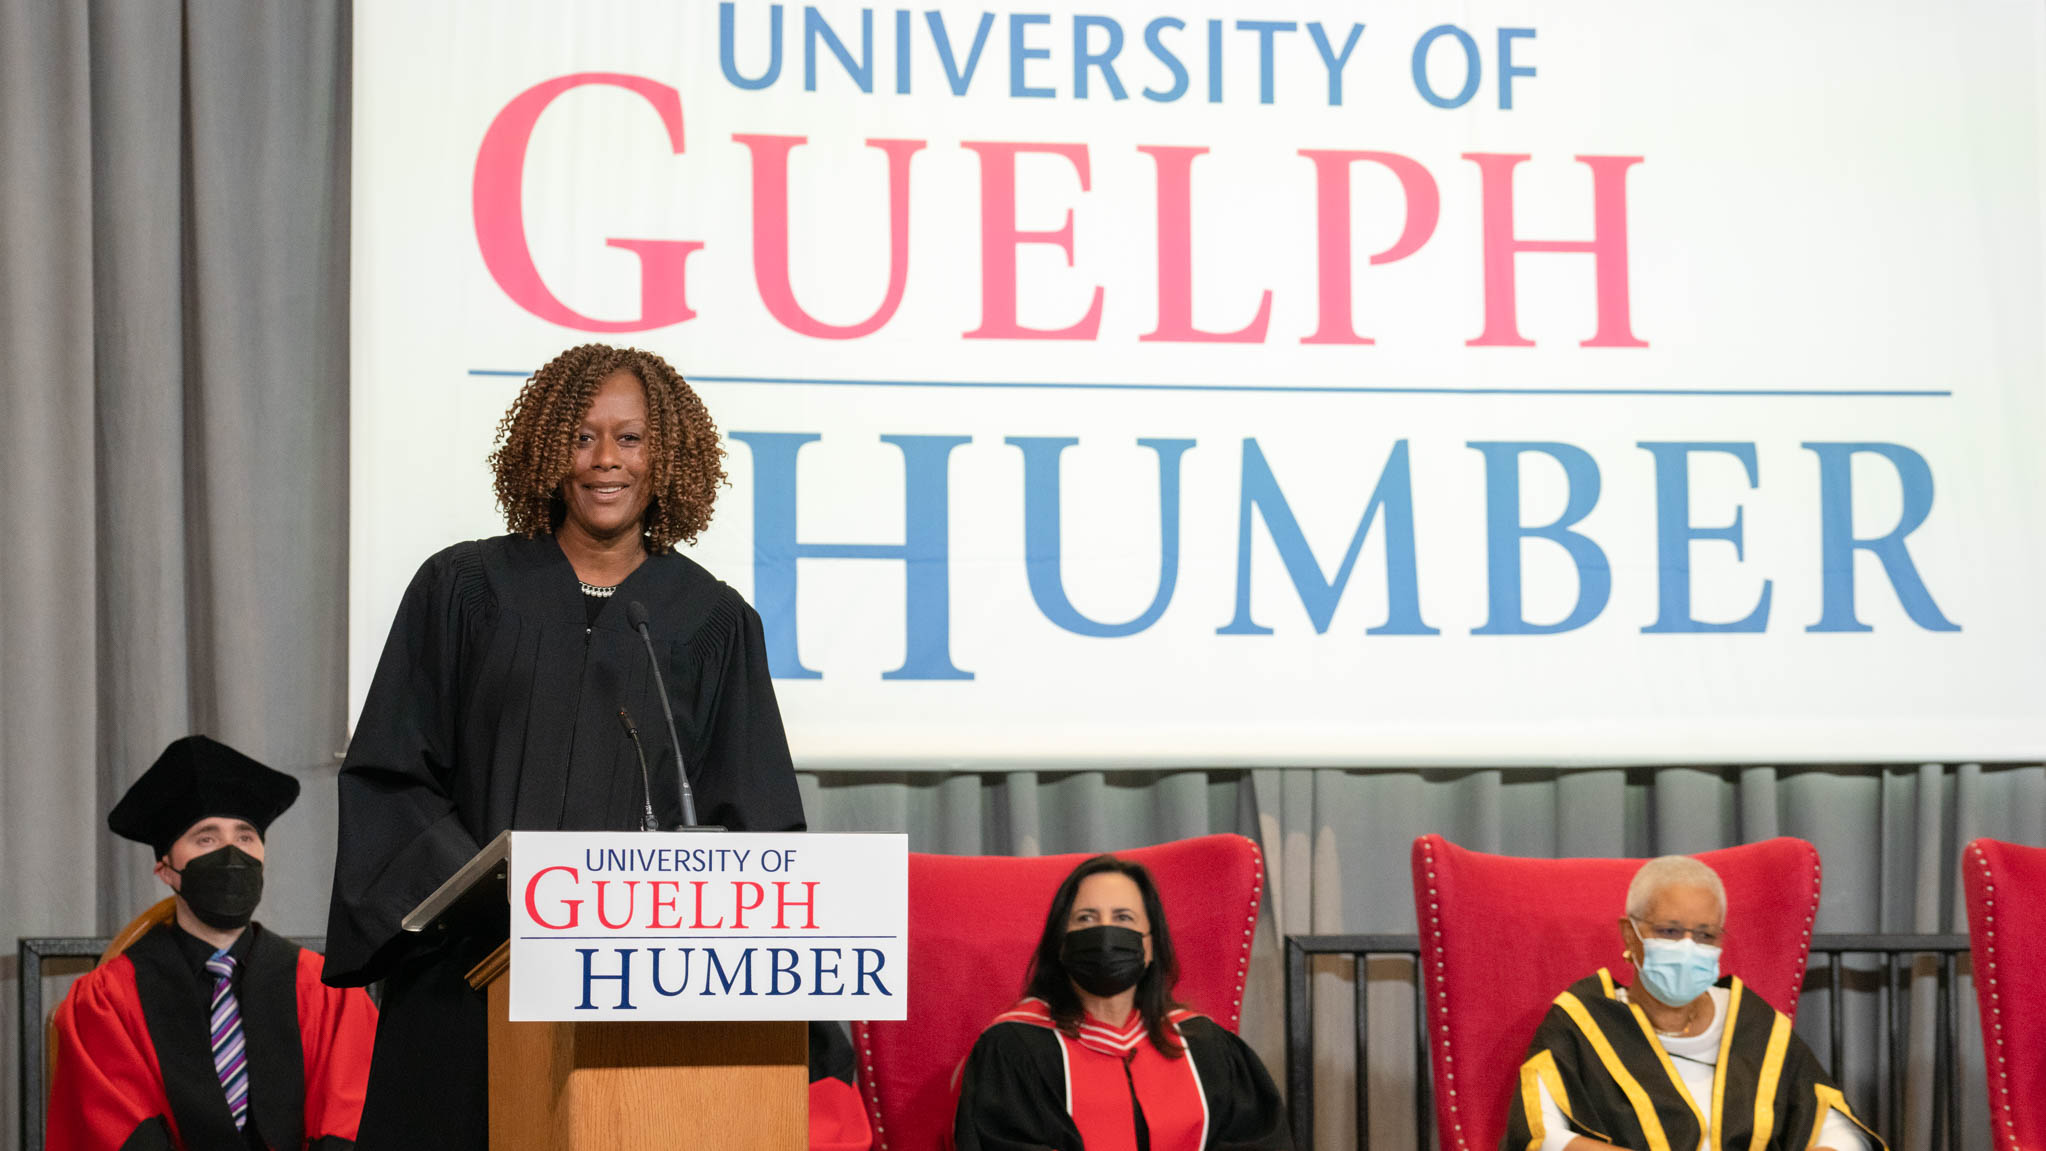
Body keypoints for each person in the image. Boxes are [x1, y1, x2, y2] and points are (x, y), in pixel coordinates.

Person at [322, 343, 829, 1149]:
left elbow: (755, 822)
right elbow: (393, 772)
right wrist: (496, 891)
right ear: (544, 448)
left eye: (630, 439)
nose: (605, 461)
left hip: (634, 997)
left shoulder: (712, 623)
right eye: (582, 435)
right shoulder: (463, 591)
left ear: (666, 458)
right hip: (471, 975)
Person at [48, 735, 378, 1151]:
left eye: (245, 837)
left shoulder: (326, 993)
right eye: (206, 838)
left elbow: (351, 1124)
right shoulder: (107, 1000)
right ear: (166, 869)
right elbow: (116, 1133)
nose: (231, 854)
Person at [1504, 855, 1883, 1151]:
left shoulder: (1751, 1023)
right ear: (1630, 934)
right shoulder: (1581, 1021)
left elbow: (1835, 1124)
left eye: (1705, 935)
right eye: (1669, 931)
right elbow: (1539, 1134)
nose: (1689, 947)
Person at [952, 855, 1291, 1151]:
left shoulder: (1207, 1049)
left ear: (1150, 945)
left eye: (1123, 918)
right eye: (1086, 918)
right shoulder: (1016, 1049)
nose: (1105, 933)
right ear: (1061, 942)